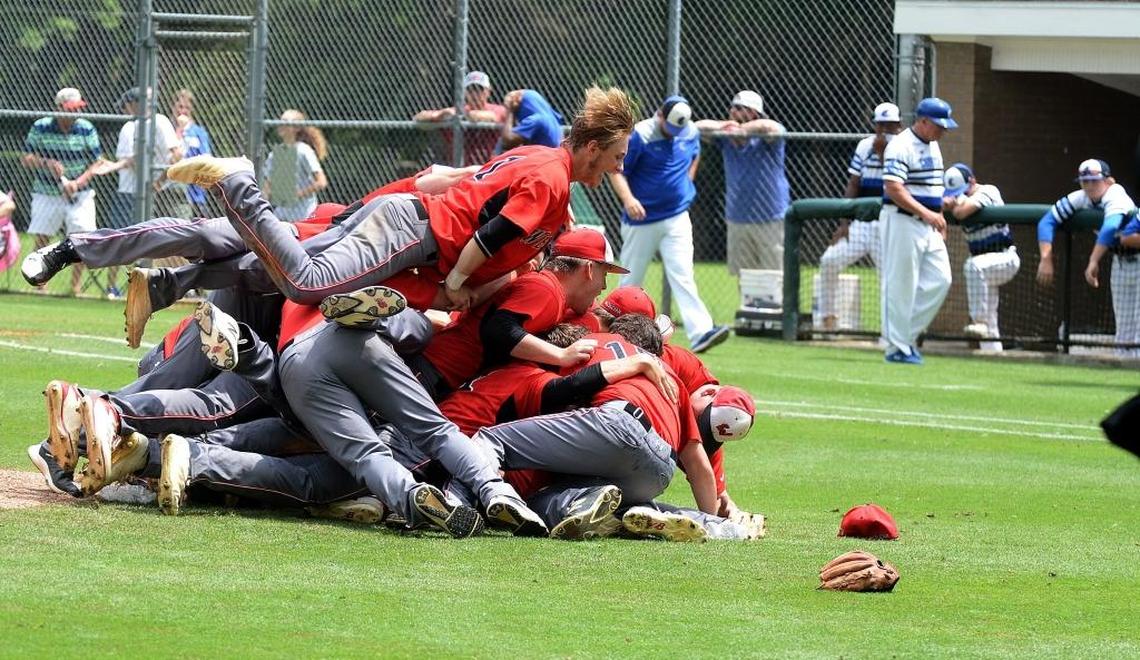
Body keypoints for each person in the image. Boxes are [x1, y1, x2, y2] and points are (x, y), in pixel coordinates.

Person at [165, 86, 634, 312]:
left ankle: (169, 282)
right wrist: (456, 282)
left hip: (414, 233)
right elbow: (492, 236)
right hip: (413, 229)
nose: (619, 166)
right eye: (616, 154)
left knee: (272, 272)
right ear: (592, 147)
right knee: (306, 285)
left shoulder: (545, 161)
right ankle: (242, 187)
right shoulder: (552, 175)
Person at [612, 95, 728, 354]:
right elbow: (617, 169)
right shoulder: (641, 135)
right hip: (641, 220)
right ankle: (613, 330)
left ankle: (701, 332)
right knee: (630, 279)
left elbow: (694, 154)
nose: (674, 133)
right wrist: (628, 199)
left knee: (683, 275)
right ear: (659, 115)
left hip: (676, 216)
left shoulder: (689, 131)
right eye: (669, 127)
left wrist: (687, 183)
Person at [879, 97, 956, 364]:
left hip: (927, 224)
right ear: (922, 121)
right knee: (900, 284)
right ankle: (896, 347)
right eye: (939, 125)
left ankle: (902, 337)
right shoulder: (901, 145)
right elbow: (893, 187)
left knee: (940, 279)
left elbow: (934, 189)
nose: (943, 131)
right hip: (901, 220)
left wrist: (940, 217)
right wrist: (929, 214)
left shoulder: (933, 146)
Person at [1038, 159, 1139, 357]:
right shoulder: (1081, 197)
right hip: (1120, 261)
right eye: (1085, 181)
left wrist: (1093, 261)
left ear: (1109, 181)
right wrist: (1046, 258)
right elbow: (1047, 221)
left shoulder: (1115, 194)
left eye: (1094, 180)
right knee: (1124, 329)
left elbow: (1110, 227)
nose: (1089, 186)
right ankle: (1121, 375)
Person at [816, 102, 902, 330]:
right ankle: (827, 318)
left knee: (889, 279)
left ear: (899, 126)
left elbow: (894, 186)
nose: (883, 130)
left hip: (888, 224)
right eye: (880, 125)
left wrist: (883, 153)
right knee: (829, 261)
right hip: (861, 225)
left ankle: (890, 332)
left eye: (889, 126)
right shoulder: (865, 146)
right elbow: (854, 184)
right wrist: (844, 223)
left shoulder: (903, 148)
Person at [695, 90, 790, 277]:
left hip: (771, 217)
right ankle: (748, 308)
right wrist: (725, 126)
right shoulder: (726, 140)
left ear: (753, 113)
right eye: (732, 107)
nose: (732, 111)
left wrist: (744, 130)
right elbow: (695, 127)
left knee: (773, 275)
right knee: (744, 277)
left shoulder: (766, 139)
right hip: (737, 218)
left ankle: (775, 308)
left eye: (739, 108)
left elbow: (774, 127)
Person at [20, 87, 105, 295]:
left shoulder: (86, 128)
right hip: (46, 192)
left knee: (82, 239)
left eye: (77, 108)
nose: (75, 113)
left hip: (80, 194)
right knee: (43, 238)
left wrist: (77, 182)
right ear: (58, 108)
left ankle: (74, 288)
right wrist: (47, 163)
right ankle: (40, 285)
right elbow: (26, 159)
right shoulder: (41, 127)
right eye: (70, 109)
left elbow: (98, 162)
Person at [100, 87, 183, 296]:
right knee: (120, 238)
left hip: (154, 194)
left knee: (155, 241)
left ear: (135, 103)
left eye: (128, 105)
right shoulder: (130, 126)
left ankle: (150, 287)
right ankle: (113, 287)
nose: (127, 109)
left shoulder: (160, 122)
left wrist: (159, 182)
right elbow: (131, 160)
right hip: (129, 191)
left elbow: (176, 155)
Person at [941, 163, 1017, 352]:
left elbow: (960, 211)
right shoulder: (957, 197)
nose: (961, 195)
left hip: (1004, 259)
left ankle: (978, 321)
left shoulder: (989, 191)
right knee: (991, 317)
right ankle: (993, 355)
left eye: (963, 191)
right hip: (985, 266)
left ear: (972, 181)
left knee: (972, 266)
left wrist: (954, 201)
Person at [414, 70, 508, 166]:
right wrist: (439, 115)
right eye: (471, 90)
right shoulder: (457, 111)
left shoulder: (496, 110)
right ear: (465, 92)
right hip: (459, 168)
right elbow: (419, 117)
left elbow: (492, 116)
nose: (475, 95)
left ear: (488, 91)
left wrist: (462, 116)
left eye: (479, 90)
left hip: (489, 167)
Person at [263, 109, 328, 221]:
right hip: (281, 218)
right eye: (280, 121)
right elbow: (268, 187)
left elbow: (321, 182)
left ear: (297, 128)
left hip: (303, 217)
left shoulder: (303, 151)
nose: (281, 125)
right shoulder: (275, 154)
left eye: (286, 122)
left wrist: (297, 194)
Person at [171, 89, 213, 217]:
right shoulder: (167, 129)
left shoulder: (198, 132)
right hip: (170, 191)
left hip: (195, 195)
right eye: (180, 106)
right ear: (173, 107)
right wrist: (180, 129)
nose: (183, 111)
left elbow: (207, 159)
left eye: (187, 108)